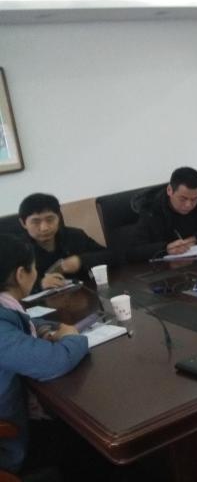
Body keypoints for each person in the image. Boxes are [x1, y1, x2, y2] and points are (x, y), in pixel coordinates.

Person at [0, 234, 89, 476]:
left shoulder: (6, 306)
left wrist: (42, 329)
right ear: (21, 274)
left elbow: (22, 322)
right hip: (9, 446)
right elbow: (55, 362)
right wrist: (72, 337)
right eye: (34, 267)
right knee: (84, 440)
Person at [18, 193, 114, 293]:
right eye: (36, 222)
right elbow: (10, 289)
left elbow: (111, 256)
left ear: (59, 217)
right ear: (23, 223)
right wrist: (39, 284)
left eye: (50, 219)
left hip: (84, 295)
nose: (44, 228)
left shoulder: (74, 236)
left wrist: (81, 261)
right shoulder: (17, 249)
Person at [126, 167, 197, 262]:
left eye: (194, 199)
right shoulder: (151, 209)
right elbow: (133, 251)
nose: (188, 205)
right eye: (183, 199)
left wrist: (196, 238)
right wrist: (166, 248)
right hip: (168, 268)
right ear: (169, 190)